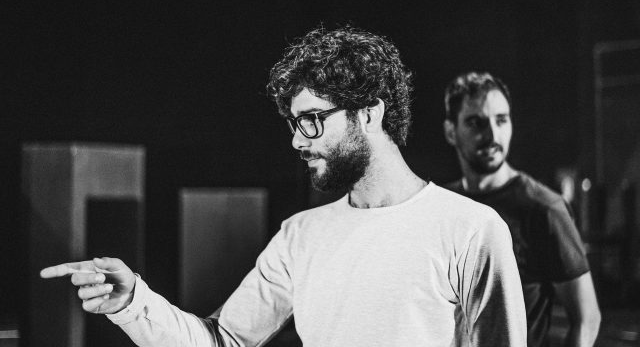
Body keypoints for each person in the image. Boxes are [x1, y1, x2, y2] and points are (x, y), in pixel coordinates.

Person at [41, 27, 527, 346]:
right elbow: (223, 340)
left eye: (313, 119)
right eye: (295, 124)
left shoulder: (470, 230)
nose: (297, 140)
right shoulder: (301, 236)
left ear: (370, 113)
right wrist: (134, 303)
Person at [442, 72, 601, 347]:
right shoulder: (445, 205)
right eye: (476, 122)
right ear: (450, 132)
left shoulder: (544, 208)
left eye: (501, 120)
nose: (492, 135)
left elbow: (587, 319)